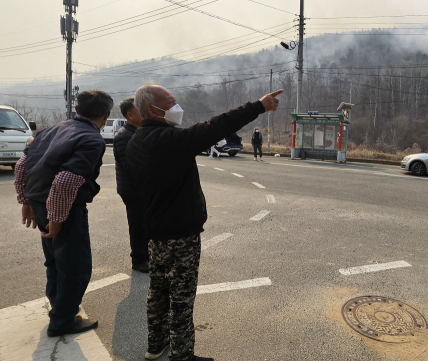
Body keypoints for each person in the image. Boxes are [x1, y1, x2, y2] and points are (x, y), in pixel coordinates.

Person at [126, 84, 282, 361]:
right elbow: (216, 126)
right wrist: (259, 106)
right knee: (181, 298)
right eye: (171, 101)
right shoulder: (170, 140)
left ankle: (155, 345)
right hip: (180, 234)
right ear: (152, 109)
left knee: (158, 292)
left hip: (155, 232)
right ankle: (182, 355)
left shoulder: (137, 140)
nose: (177, 106)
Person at [14, 90, 111, 337]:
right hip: (63, 208)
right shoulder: (92, 139)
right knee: (75, 266)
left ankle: (60, 308)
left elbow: (22, 166)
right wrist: (57, 219)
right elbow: (67, 181)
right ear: (107, 115)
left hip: (39, 201)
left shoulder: (49, 131)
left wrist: (26, 201)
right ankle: (63, 321)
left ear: (77, 110)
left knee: (55, 261)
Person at [113, 98, 149, 273]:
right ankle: (139, 260)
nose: (145, 112)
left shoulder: (139, 132)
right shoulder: (124, 136)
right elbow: (131, 166)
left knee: (147, 223)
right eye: (140, 109)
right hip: (133, 190)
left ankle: (147, 255)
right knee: (138, 225)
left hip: (144, 188)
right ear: (130, 114)